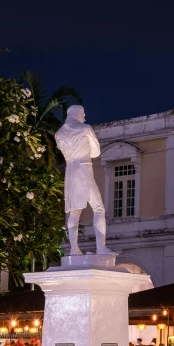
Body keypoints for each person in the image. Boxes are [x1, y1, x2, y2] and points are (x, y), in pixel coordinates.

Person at [55, 105, 113, 255]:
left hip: (70, 172)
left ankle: (74, 248)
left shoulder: (59, 133)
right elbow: (96, 152)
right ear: (78, 113)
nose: (84, 117)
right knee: (98, 208)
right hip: (84, 170)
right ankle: (101, 247)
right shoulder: (85, 129)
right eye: (83, 114)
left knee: (74, 212)